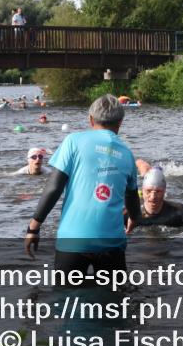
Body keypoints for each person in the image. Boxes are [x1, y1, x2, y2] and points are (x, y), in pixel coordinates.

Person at [24, 95, 141, 275]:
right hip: (112, 243)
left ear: (91, 120)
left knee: (66, 298)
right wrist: (134, 218)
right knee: (115, 299)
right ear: (120, 123)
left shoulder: (73, 141)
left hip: (73, 239)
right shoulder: (127, 154)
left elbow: (54, 188)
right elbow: (132, 196)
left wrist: (34, 227)